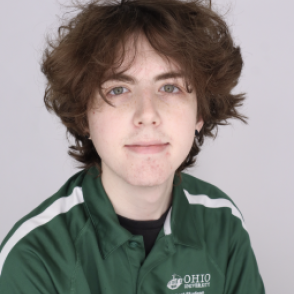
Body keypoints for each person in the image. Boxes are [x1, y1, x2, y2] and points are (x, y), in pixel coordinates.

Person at [0, 0, 265, 293]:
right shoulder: (34, 256)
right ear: (84, 115)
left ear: (200, 113)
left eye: (170, 87)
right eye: (118, 89)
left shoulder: (222, 223)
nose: (147, 115)